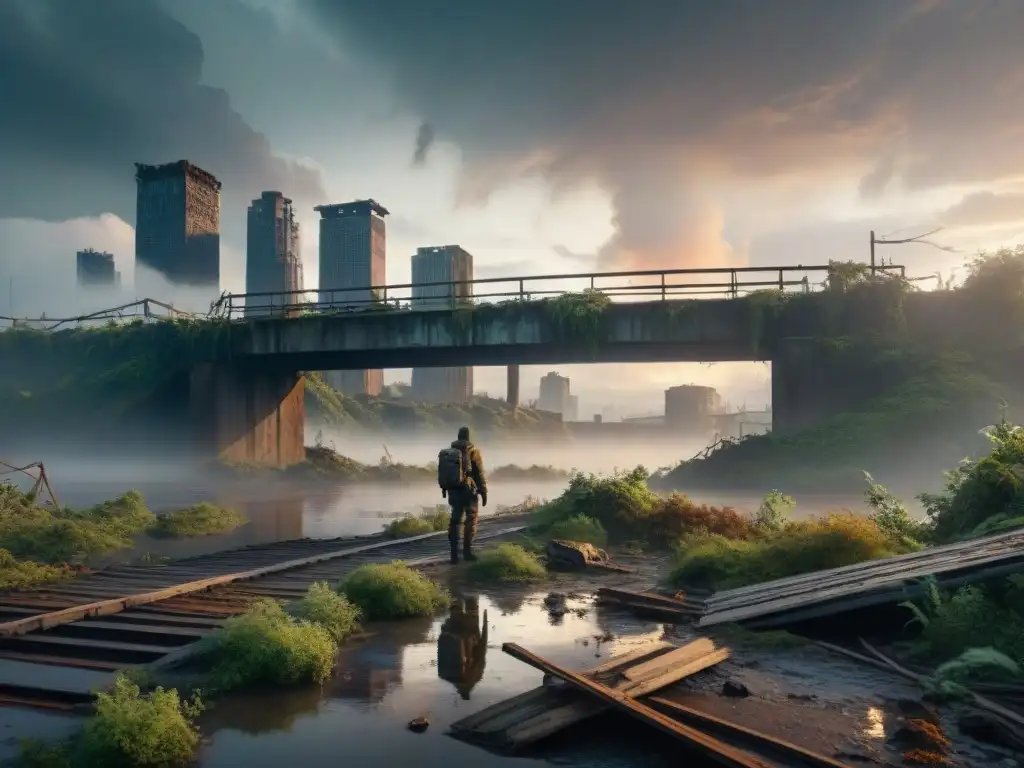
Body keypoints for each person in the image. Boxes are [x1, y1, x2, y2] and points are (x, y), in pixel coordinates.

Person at [441, 425, 487, 564]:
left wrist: (444, 489)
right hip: (469, 491)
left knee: (455, 521)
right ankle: (467, 553)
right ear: (468, 437)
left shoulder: (449, 453)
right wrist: (484, 492)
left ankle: (453, 555)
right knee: (470, 520)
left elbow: (444, 473)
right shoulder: (473, 451)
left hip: (453, 491)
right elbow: (479, 474)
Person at [437, 596, 488, 699]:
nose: (454, 612)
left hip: (470, 647)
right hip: (462, 650)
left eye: (456, 610)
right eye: (453, 610)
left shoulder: (467, 621)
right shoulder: (448, 623)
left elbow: (480, 644)